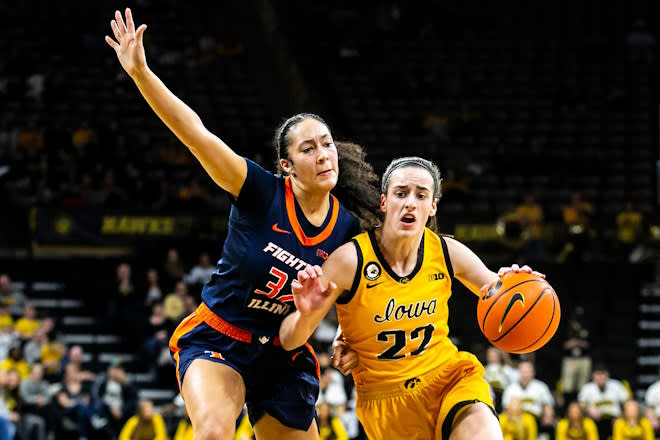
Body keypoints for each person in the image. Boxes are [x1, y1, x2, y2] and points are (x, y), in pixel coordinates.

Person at [105, 8, 381, 439]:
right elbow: (196, 133)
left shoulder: (348, 231)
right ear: (287, 166)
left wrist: (347, 336)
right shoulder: (259, 191)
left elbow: (354, 300)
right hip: (220, 339)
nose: (324, 154)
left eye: (327, 143)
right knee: (215, 431)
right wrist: (141, 73)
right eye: (309, 149)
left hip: (283, 351)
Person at [279, 156, 546, 439]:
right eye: (401, 193)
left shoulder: (446, 251)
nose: (410, 202)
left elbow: (498, 290)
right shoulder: (349, 261)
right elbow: (289, 339)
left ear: (432, 206)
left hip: (448, 379)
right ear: (384, 202)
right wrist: (306, 316)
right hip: (386, 401)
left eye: (421, 195)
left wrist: (515, 282)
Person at [578, 363, 630, 440]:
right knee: (588, 425)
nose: (600, 377)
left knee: (620, 425)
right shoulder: (587, 388)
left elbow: (628, 403)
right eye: (598, 374)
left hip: (615, 420)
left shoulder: (616, 385)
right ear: (593, 376)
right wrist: (588, 409)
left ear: (607, 375)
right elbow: (580, 405)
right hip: (595, 420)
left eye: (603, 374)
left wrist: (622, 416)